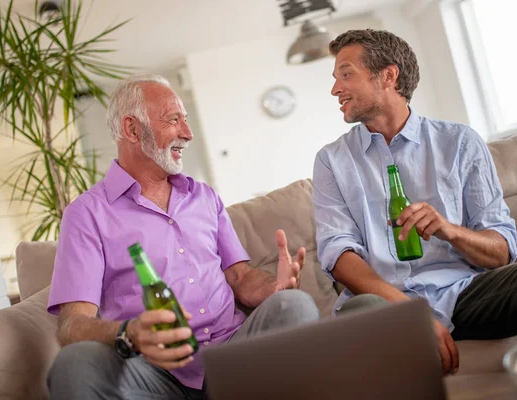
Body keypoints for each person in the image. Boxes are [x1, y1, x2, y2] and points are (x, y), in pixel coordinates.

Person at [313, 29, 517, 376]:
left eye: (346, 74)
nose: (335, 89)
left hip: (462, 293)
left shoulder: (460, 143)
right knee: (361, 315)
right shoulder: (332, 160)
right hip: (384, 305)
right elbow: (338, 254)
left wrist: (450, 231)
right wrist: (408, 313)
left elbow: (501, 250)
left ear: (388, 75)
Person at [47, 74, 320, 400]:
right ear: (133, 129)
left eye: (185, 120)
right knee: (74, 363)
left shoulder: (203, 197)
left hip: (234, 352)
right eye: (173, 120)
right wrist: (129, 333)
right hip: (152, 369)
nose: (187, 134)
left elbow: (240, 276)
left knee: (294, 305)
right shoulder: (86, 214)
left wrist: (274, 288)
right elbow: (72, 324)